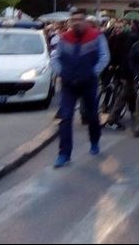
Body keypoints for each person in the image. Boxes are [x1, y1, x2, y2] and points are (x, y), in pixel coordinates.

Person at [51, 9, 110, 168]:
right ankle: (64, 154)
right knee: (65, 117)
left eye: (79, 19)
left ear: (85, 21)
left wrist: (93, 72)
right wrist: (61, 72)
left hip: (88, 83)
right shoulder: (64, 38)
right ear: (70, 22)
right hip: (69, 84)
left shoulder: (97, 37)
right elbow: (55, 58)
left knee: (92, 115)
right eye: (73, 20)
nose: (76, 22)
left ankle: (94, 140)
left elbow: (104, 56)